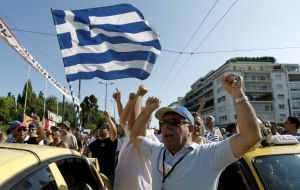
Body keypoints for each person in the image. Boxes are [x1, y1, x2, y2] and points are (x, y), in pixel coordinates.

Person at [130, 73, 262, 190]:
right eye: (164, 123)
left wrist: (237, 93)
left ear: (191, 129)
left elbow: (250, 137)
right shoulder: (157, 151)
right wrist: (147, 111)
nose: (166, 127)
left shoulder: (209, 155)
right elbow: (135, 136)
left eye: (174, 122)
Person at [113, 85, 158, 190]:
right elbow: (122, 119)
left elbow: (133, 122)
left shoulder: (149, 135)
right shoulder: (130, 131)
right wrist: (121, 101)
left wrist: (139, 95)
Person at [87, 111, 117, 186]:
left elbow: (114, 132)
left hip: (108, 176)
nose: (100, 129)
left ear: (108, 131)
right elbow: (85, 151)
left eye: (103, 128)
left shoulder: (111, 141)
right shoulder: (94, 143)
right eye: (99, 128)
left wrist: (108, 118)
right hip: (95, 175)